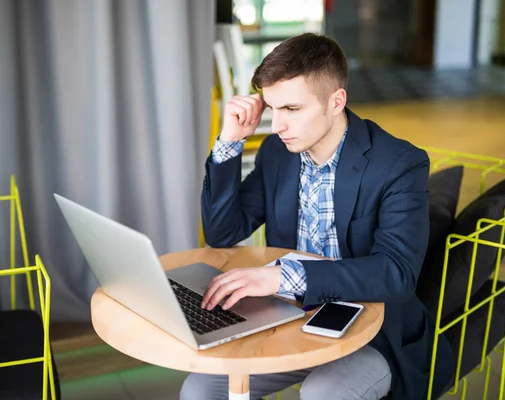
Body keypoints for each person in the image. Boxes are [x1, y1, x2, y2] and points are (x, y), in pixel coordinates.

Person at [181, 33, 454, 400]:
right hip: (291, 318)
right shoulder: (278, 152)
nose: (276, 126)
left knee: (323, 394)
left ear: (336, 101)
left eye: (291, 109)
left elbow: (396, 273)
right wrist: (230, 141)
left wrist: (281, 277)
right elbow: (222, 230)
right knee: (199, 388)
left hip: (372, 333)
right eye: (272, 108)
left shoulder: (398, 164)